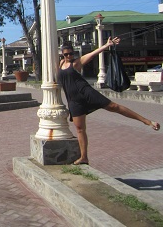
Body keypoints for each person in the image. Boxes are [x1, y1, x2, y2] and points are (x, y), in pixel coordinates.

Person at [59, 37, 160, 165]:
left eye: (71, 53)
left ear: (74, 53)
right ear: (62, 54)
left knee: (113, 106)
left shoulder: (77, 63)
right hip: (74, 100)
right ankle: (84, 157)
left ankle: (146, 121)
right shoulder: (60, 64)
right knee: (80, 129)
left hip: (86, 92)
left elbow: (93, 53)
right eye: (66, 54)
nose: (69, 56)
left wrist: (107, 45)